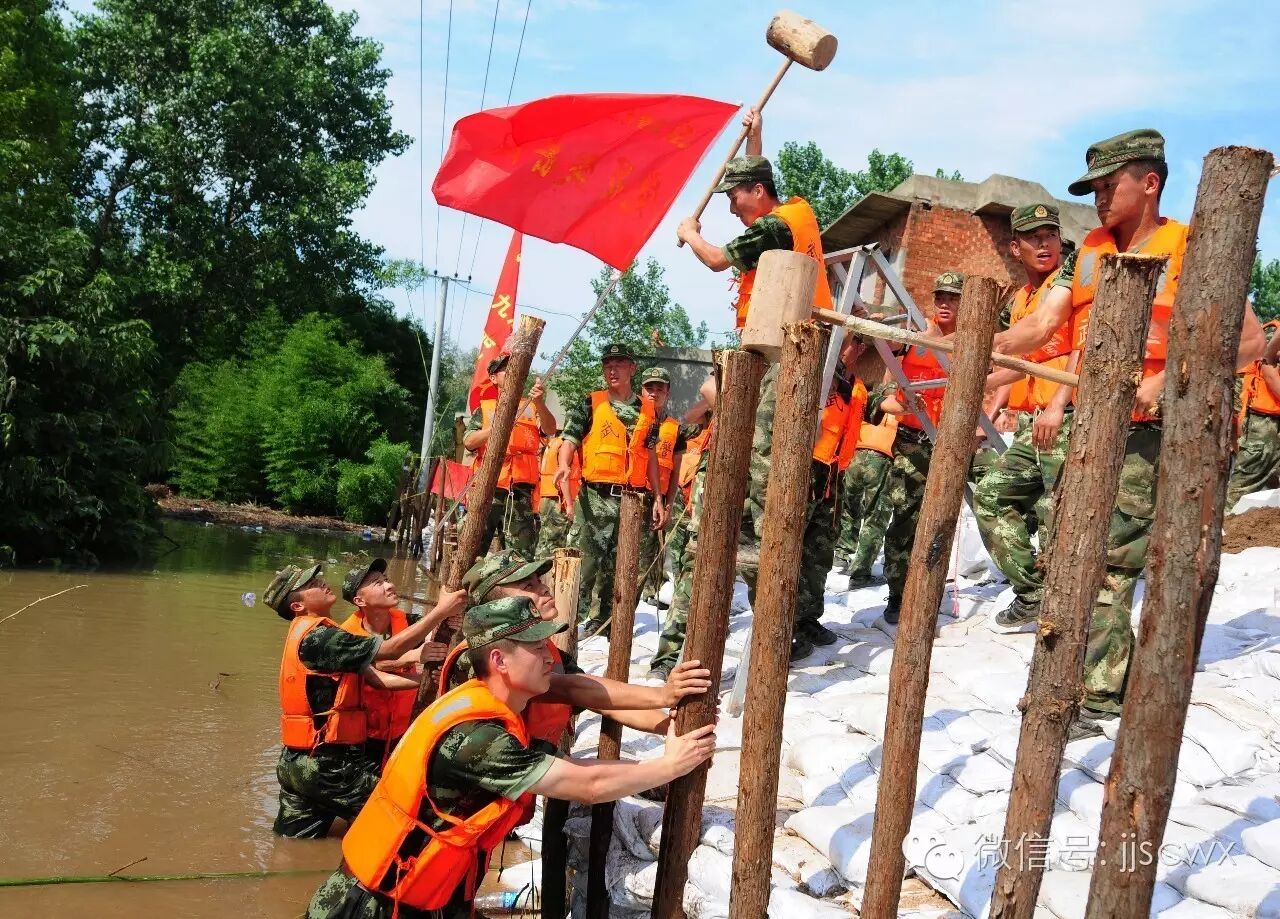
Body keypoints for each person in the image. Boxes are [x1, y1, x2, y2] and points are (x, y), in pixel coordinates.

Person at [993, 129, 1265, 732]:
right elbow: (1042, 327)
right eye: (1092, 188)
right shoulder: (1088, 249)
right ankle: (1070, 677)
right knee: (1070, 546)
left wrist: (1168, 378)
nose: (1098, 199)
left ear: (1149, 182)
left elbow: (1248, 342)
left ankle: (1100, 695)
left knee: (1113, 561)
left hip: (1150, 432)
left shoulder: (1191, 247)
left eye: (1107, 185)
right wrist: (984, 349)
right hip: (1092, 424)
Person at [305, 595, 716, 919]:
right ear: (499, 660)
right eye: (535, 647)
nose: (547, 656)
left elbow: (576, 757)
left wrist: (666, 721)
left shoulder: (497, 710)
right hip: (372, 904)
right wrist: (669, 766)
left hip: (428, 894)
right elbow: (586, 785)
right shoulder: (478, 737)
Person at [674, 108, 834, 551]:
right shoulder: (795, 211)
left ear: (758, 192)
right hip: (780, 341)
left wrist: (690, 234)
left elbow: (717, 259)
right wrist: (756, 137)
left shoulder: (773, 227)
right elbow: (756, 176)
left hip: (789, 346)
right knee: (729, 412)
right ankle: (747, 522)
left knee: (765, 439)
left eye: (734, 198)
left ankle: (764, 536)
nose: (730, 207)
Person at [266, 563, 467, 838]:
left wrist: (429, 679)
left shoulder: (316, 632)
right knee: (405, 817)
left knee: (292, 845)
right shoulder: (320, 636)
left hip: (296, 761)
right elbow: (390, 649)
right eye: (310, 584)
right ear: (297, 606)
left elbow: (373, 677)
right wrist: (441, 610)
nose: (322, 582)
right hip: (327, 765)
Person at [973, 204, 1072, 629]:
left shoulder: (1070, 285)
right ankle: (1033, 593)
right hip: (1033, 423)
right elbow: (1027, 362)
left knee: (1061, 514)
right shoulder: (1020, 299)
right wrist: (984, 383)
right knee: (991, 496)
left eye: (1050, 234)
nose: (1044, 243)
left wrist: (1057, 405)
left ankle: (1066, 607)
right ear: (1016, 247)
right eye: (1033, 237)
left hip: (1066, 418)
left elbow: (1080, 350)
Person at [874, 272, 966, 625]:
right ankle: (898, 595)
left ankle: (929, 591)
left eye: (953, 298)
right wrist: (901, 405)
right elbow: (884, 393)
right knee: (905, 521)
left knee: (941, 522)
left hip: (947, 443)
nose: (945, 303)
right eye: (940, 297)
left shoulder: (969, 342)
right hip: (911, 444)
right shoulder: (913, 337)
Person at [556, 343, 648, 636]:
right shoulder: (591, 403)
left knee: (621, 571)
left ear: (632, 369)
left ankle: (607, 626)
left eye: (620, 363)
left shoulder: (647, 410)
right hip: (594, 500)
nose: (612, 369)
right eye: (608, 364)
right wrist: (564, 464)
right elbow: (569, 439)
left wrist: (659, 498)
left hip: (633, 502)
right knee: (582, 568)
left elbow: (654, 456)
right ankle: (563, 630)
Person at [339, 559, 447, 766]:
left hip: (404, 729)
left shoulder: (407, 621)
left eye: (386, 579)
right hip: (362, 738)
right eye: (377, 583)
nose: (389, 585)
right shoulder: (346, 637)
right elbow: (373, 670)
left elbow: (436, 631)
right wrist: (415, 658)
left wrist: (450, 618)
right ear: (359, 601)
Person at [462, 355, 556, 555]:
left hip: (520, 491)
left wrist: (540, 403)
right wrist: (496, 428)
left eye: (516, 368)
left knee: (520, 556)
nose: (513, 371)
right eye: (506, 369)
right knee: (473, 549)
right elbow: (469, 441)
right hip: (488, 488)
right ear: (494, 378)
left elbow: (549, 430)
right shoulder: (484, 409)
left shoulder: (531, 406)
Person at [835, 413, 897, 586]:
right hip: (881, 458)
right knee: (876, 517)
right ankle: (860, 574)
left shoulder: (871, 401)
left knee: (850, 507)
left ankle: (841, 553)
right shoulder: (902, 406)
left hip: (855, 453)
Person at [1227, 321, 1280, 508]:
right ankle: (1219, 531)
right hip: (1266, 425)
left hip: (1264, 426)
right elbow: (1269, 368)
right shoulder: (1272, 336)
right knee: (1240, 496)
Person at [534, 428, 579, 558]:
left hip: (547, 498)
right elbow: (563, 477)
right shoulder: (563, 447)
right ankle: (547, 574)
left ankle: (539, 573)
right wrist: (569, 505)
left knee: (545, 541)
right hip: (558, 501)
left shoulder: (551, 445)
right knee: (555, 545)